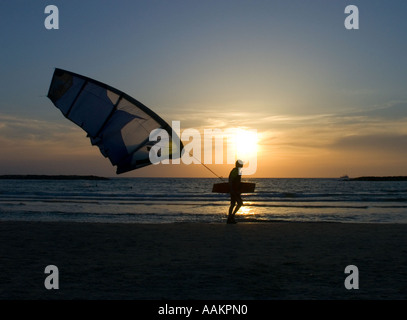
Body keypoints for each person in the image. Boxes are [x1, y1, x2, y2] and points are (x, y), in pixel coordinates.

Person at [227, 160, 244, 224]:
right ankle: (231, 217)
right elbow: (231, 180)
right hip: (234, 190)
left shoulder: (238, 171)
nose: (242, 166)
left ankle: (230, 218)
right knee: (239, 203)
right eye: (241, 164)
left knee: (233, 204)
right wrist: (231, 189)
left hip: (235, 190)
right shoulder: (235, 171)